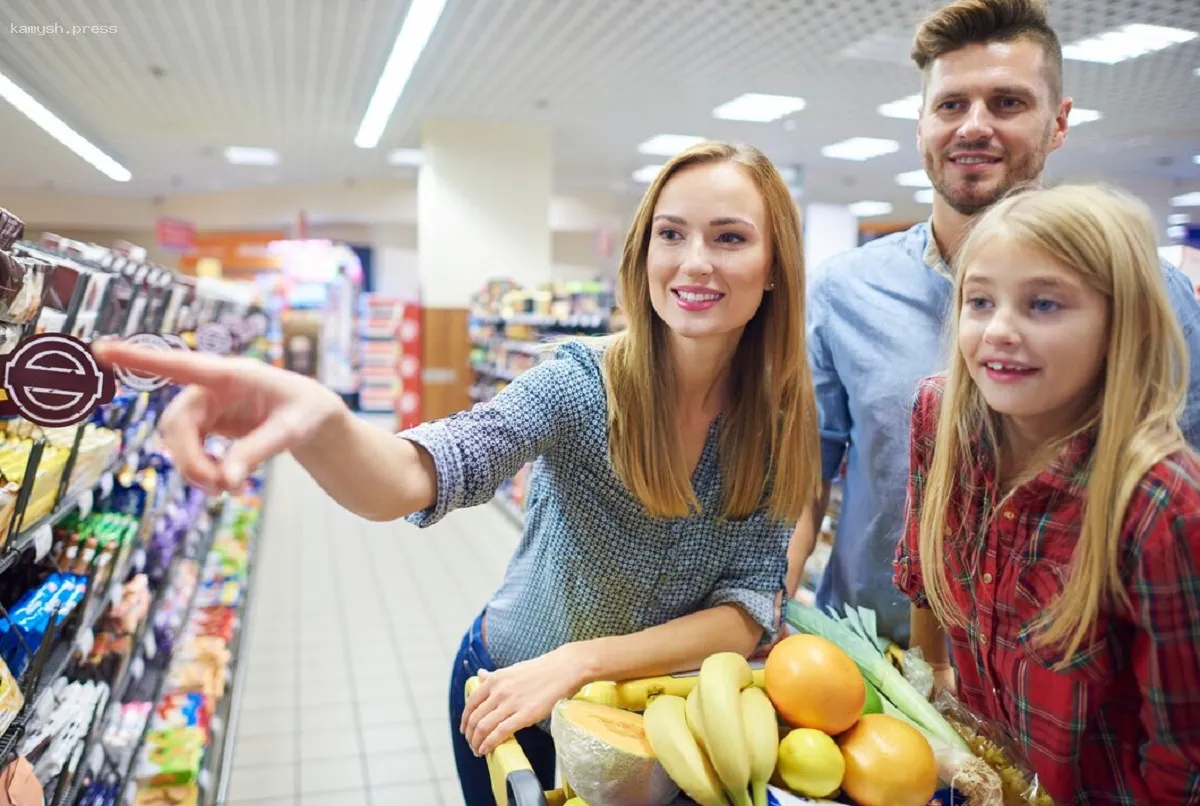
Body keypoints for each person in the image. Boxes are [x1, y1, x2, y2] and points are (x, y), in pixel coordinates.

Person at [94, 141, 822, 805]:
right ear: (643, 254)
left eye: (729, 237)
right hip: (509, 695)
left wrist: (581, 662)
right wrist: (325, 423)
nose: (695, 261)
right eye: (672, 233)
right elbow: (432, 468)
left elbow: (748, 608)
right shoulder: (582, 384)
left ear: (773, 270)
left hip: (652, 722)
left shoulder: (782, 423)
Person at [793, 0, 1200, 646]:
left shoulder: (1150, 295)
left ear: (1058, 123)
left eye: (1008, 103)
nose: (974, 126)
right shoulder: (845, 292)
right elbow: (803, 485)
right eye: (951, 105)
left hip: (1074, 685)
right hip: (871, 663)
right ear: (921, 125)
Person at [894, 182, 1200, 802]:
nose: (1000, 329)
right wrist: (931, 692)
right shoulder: (941, 417)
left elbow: (1182, 761)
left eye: (1044, 305)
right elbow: (922, 575)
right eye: (980, 301)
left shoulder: (1160, 508)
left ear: (1121, 324)